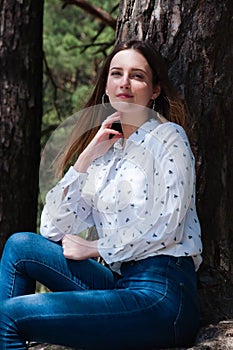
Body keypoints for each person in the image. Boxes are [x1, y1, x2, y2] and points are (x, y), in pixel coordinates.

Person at [0, 40, 202, 350]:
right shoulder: (105, 157)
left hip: (162, 295)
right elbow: (52, 227)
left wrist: (96, 247)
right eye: (116, 74)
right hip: (120, 285)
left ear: (155, 90)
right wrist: (86, 158)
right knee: (20, 247)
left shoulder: (168, 137)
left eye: (137, 76)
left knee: (8, 317)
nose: (125, 83)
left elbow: (167, 225)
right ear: (106, 86)